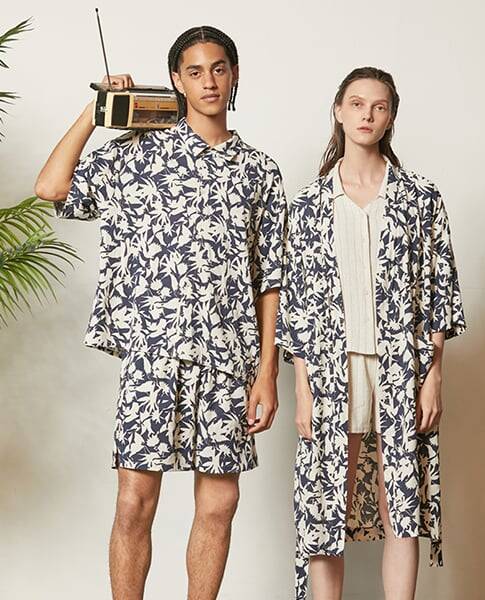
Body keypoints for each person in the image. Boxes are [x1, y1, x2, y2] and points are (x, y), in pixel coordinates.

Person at [35, 25, 285, 600]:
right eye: (195, 71)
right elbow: (51, 187)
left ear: (235, 75)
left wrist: (267, 371)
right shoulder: (138, 153)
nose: (208, 82)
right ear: (176, 80)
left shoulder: (260, 171)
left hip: (228, 357)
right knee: (134, 501)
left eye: (218, 69)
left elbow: (270, 279)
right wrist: (97, 110)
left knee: (220, 503)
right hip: (153, 353)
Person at [275, 66, 466, 600]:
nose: (367, 115)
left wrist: (433, 377)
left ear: (390, 118)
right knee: (325, 503)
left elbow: (439, 291)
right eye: (357, 104)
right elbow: (297, 305)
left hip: (402, 365)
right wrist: (304, 388)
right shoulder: (307, 206)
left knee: (399, 502)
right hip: (330, 369)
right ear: (339, 111)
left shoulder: (421, 198)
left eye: (379, 106)